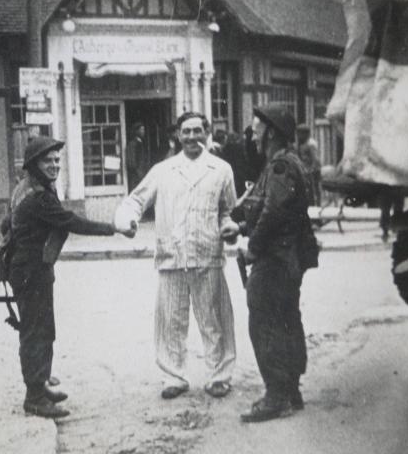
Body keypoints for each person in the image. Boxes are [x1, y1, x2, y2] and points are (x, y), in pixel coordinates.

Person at [5, 136, 134, 419]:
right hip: (31, 270)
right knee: (35, 332)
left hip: (32, 266)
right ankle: (35, 397)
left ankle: (41, 383)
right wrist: (113, 228)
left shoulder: (29, 187)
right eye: (47, 161)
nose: (54, 166)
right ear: (33, 164)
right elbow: (71, 222)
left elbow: (7, 223)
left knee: (44, 328)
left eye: (56, 161)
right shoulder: (37, 195)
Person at [115, 112, 240, 400]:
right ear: (178, 136)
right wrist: (127, 219)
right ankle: (174, 376)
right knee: (171, 321)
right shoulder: (163, 170)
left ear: (207, 133)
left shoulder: (221, 169)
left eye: (198, 131)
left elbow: (227, 210)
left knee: (214, 320)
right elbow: (136, 199)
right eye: (187, 132)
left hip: (207, 254)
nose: (193, 137)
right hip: (171, 255)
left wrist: (229, 227)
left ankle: (219, 376)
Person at [235, 105, 317, 423]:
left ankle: (276, 396)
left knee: (265, 322)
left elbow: (273, 214)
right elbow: (271, 210)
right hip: (286, 257)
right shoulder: (283, 163)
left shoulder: (281, 166)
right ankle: (290, 392)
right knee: (285, 319)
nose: (252, 135)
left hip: (276, 259)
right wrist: (241, 227)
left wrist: (252, 249)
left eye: (256, 129)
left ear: (270, 132)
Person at [296, 124, 321, 205]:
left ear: (305, 134)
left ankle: (316, 205)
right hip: (305, 170)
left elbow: (315, 158)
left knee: (314, 189)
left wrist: (312, 169)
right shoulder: (301, 143)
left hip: (312, 170)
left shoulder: (310, 144)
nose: (298, 136)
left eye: (300, 133)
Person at [126, 122, 151, 191]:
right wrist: (138, 173)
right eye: (141, 130)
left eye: (144, 130)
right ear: (136, 131)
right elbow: (131, 162)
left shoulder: (141, 143)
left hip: (142, 174)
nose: (143, 132)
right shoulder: (133, 144)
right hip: (136, 176)